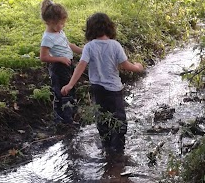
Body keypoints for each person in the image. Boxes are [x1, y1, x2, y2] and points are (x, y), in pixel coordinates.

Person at [61, 12, 144, 151]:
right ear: (109, 28)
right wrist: (138, 67)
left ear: (90, 30)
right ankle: (118, 151)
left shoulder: (89, 46)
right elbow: (126, 65)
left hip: (97, 89)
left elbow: (81, 66)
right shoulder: (115, 45)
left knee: (101, 118)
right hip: (114, 90)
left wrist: (70, 84)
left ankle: (106, 147)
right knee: (119, 120)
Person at [40, 0, 82, 125]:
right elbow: (43, 57)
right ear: (49, 22)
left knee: (70, 88)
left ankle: (71, 114)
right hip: (58, 67)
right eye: (59, 24)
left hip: (67, 64)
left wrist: (82, 51)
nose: (62, 26)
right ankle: (63, 118)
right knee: (61, 92)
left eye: (63, 24)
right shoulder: (48, 37)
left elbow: (68, 45)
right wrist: (60, 59)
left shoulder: (59, 31)